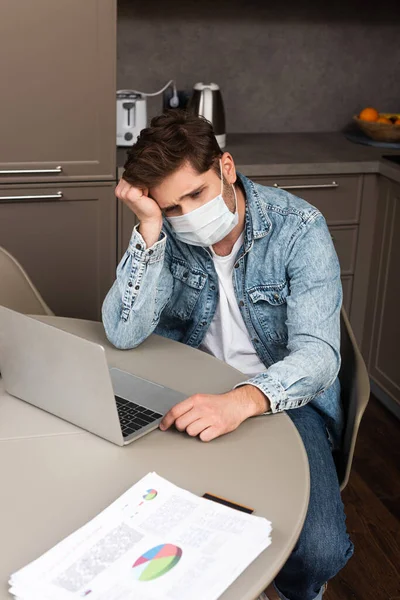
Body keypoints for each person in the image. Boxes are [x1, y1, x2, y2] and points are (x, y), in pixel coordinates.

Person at [102, 110, 354, 600]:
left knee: (318, 550)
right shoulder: (168, 235)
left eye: (195, 195)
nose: (187, 216)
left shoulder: (299, 228)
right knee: (144, 527)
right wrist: (150, 229)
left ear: (227, 167)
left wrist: (242, 400)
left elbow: (320, 356)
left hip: (282, 398)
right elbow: (124, 332)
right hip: (185, 389)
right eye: (170, 206)